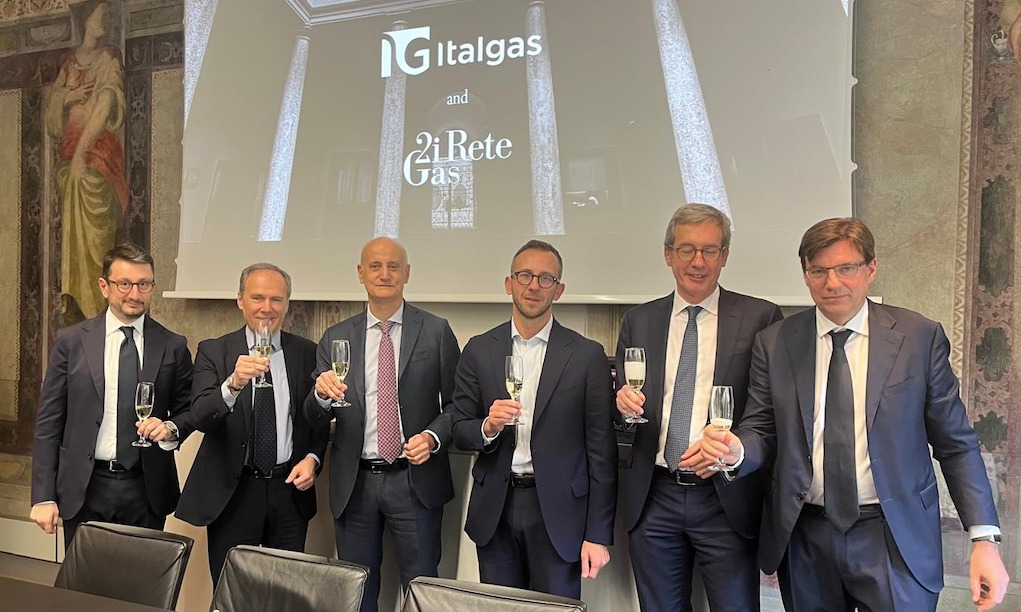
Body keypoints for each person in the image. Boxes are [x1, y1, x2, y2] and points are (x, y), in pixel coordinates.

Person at [701, 217, 1010, 611]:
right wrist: (737, 451)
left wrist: (984, 539)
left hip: (893, 536)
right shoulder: (775, 342)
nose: (833, 283)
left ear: (871, 268)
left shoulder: (918, 337)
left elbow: (955, 443)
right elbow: (761, 429)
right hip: (805, 535)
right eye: (819, 271)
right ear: (806, 275)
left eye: (846, 268)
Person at [614, 203, 782, 611]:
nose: (698, 261)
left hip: (726, 497)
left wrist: (734, 450)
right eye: (687, 249)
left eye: (710, 250)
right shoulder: (639, 320)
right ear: (668, 254)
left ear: (725, 256)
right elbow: (625, 414)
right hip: (654, 496)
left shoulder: (761, 317)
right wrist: (620, 405)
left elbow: (771, 415)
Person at [450, 240, 617, 599]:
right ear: (509, 283)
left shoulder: (587, 356)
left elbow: (602, 452)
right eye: (525, 275)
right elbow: (459, 428)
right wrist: (487, 427)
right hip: (495, 510)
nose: (534, 286)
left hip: (561, 514)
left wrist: (598, 533)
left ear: (559, 289)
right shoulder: (479, 349)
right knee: (499, 609)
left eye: (546, 278)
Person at [305, 237, 460, 612]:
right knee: (357, 592)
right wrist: (321, 395)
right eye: (375, 266)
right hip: (355, 483)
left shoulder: (436, 331)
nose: (385, 274)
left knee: (422, 590)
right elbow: (313, 416)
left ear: (407, 273)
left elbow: (460, 406)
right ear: (361, 273)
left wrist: (433, 437)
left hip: (415, 481)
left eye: (394, 266)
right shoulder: (336, 336)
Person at [30, 243, 193, 548]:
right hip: (85, 487)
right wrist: (43, 496)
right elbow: (49, 422)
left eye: (144, 284)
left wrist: (170, 429)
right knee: (85, 578)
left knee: (141, 578)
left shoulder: (173, 345)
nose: (135, 293)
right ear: (104, 287)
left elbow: (188, 411)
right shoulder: (71, 342)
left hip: (146, 490)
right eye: (125, 284)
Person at [176, 263, 328, 583]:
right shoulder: (214, 351)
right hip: (234, 492)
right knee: (231, 590)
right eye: (257, 297)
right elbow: (200, 416)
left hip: (289, 491)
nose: (267, 308)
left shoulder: (307, 352)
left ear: (287, 304)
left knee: (285, 590)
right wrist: (232, 385)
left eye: (276, 299)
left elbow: (317, 419)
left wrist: (313, 459)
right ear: (240, 300)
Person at [45, 0, 129, 321]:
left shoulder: (108, 58)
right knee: (72, 226)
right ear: (85, 21)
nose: (102, 23)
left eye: (106, 17)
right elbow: (53, 119)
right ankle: (75, 301)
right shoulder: (68, 65)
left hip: (99, 157)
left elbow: (106, 103)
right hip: (70, 159)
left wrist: (82, 152)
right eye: (98, 17)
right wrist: (66, 98)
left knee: (97, 233)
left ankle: (99, 304)